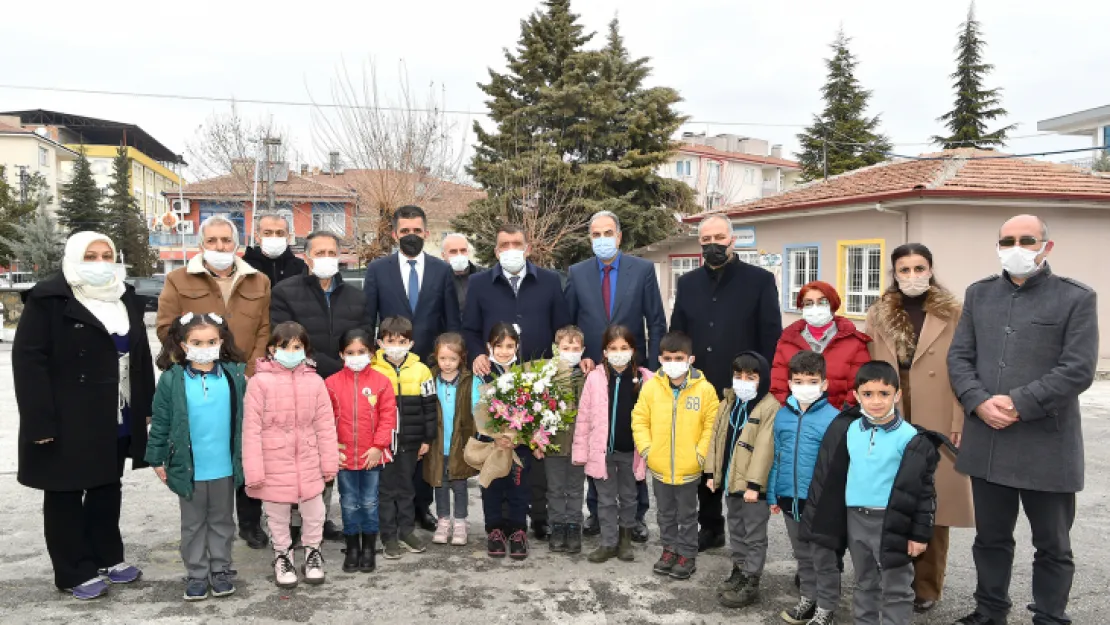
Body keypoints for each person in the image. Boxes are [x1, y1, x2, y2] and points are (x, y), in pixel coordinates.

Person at [947, 215, 1098, 625]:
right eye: (1007, 240)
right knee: (991, 538)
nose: (1015, 247)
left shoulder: (1076, 298)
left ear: (1046, 247)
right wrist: (978, 402)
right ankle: (990, 610)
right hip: (988, 440)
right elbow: (959, 357)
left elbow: (1077, 369)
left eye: (1026, 240)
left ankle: (1050, 616)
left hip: (1046, 442)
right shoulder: (979, 294)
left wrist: (1018, 403)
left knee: (1052, 543)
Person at [14, 231, 155, 600]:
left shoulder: (124, 297)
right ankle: (72, 569)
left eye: (106, 254)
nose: (99, 262)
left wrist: (146, 408)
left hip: (116, 409)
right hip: (68, 413)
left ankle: (107, 556)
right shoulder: (49, 299)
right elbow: (29, 363)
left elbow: (139, 358)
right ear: (74, 258)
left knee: (107, 485)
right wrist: (39, 421)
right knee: (65, 490)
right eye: (90, 255)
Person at [865, 243, 974, 613]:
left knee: (933, 502)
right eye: (904, 269)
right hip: (892, 406)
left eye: (919, 268)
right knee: (891, 497)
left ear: (931, 269)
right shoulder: (879, 313)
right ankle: (894, 577)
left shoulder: (954, 311)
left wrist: (958, 419)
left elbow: (964, 367)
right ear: (894, 273)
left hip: (938, 408)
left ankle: (927, 586)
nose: (912, 276)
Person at [156, 215, 272, 549]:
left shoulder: (258, 281)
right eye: (213, 241)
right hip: (199, 381)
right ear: (201, 244)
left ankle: (249, 522)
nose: (220, 247)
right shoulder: (179, 280)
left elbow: (263, 329)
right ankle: (203, 520)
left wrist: (251, 371)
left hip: (243, 379)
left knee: (246, 446)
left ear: (237, 245)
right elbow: (166, 327)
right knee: (210, 448)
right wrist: (192, 365)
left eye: (226, 241)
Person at [803, 361, 948, 625]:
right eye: (868, 394)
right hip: (856, 518)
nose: (876, 401)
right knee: (864, 582)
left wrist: (918, 534)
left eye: (884, 394)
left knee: (896, 588)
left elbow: (924, 491)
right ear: (856, 396)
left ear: (897, 395)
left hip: (891, 523)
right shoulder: (849, 431)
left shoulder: (911, 438)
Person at [670, 213, 782, 551]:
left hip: (743, 389)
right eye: (705, 240)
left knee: (740, 458)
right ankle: (711, 527)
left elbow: (771, 336)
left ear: (733, 240)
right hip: (701, 386)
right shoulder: (688, 283)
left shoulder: (759, 280)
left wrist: (764, 385)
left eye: (719, 237)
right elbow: (678, 334)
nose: (712, 245)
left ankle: (746, 534)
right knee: (707, 457)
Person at [464, 223, 571, 540]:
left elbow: (562, 326)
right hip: (496, 378)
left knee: (534, 452)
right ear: (496, 251)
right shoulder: (480, 283)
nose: (511, 249)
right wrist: (476, 354)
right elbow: (469, 328)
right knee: (501, 447)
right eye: (504, 244)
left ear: (527, 248)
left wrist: (556, 369)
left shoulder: (550, 281)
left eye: (517, 243)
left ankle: (537, 518)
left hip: (536, 382)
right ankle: (501, 522)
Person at [566, 211, 662, 542]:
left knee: (633, 441)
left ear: (619, 236)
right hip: (594, 371)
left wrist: (651, 368)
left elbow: (656, 320)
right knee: (598, 440)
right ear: (589, 238)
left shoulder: (644, 270)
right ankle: (596, 511)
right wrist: (579, 357)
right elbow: (571, 325)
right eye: (595, 234)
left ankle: (636, 516)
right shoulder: (577, 273)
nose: (602, 238)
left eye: (608, 232)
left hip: (634, 371)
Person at [363, 204, 460, 532]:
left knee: (423, 438)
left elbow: (451, 322)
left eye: (417, 231)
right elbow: (367, 319)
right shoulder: (377, 270)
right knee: (389, 436)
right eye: (404, 231)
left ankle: (421, 506)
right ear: (394, 234)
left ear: (426, 233)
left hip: (430, 369)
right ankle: (387, 508)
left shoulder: (441, 270)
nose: (411, 236)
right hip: (388, 370)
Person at [271, 230, 370, 542]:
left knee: (334, 449)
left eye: (332, 252)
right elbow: (285, 338)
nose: (327, 258)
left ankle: (321, 516)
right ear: (306, 257)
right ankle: (295, 521)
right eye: (320, 252)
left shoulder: (356, 295)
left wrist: (348, 366)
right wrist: (334, 366)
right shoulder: (285, 292)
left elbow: (364, 335)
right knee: (301, 451)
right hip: (301, 382)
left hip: (346, 385)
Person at [146, 313, 247, 601]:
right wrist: (155, 458)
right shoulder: (171, 380)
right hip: (189, 469)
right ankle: (197, 573)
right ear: (181, 344)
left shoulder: (235, 376)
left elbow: (247, 420)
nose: (206, 346)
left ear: (222, 341)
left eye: (212, 341)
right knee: (192, 525)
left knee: (223, 522)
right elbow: (161, 421)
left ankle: (221, 570)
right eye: (197, 341)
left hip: (225, 468)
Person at [243, 322, 339, 588]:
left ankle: (312, 553)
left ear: (305, 349)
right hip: (274, 460)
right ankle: (282, 555)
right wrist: (254, 471)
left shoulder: (315, 381)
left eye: (297, 347)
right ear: (272, 349)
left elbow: (325, 425)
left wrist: (329, 463)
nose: (291, 351)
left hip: (308, 458)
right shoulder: (259, 383)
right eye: (284, 346)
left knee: (314, 511)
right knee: (277, 514)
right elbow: (250, 431)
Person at [632, 331, 720, 581]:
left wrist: (700, 456)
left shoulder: (705, 390)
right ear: (660, 359)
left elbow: (710, 427)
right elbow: (639, 419)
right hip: (659, 466)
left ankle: (688, 554)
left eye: (678, 357)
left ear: (690, 359)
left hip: (689, 468)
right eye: (668, 358)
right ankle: (669, 549)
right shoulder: (652, 388)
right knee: (665, 513)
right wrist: (648, 450)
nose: (673, 362)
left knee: (688, 514)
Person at [767, 350, 841, 625]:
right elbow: (778, 456)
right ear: (789, 383)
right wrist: (774, 493)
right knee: (803, 556)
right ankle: (808, 598)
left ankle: (826, 607)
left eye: (812, 380)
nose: (804, 387)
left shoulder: (835, 419)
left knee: (823, 557)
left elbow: (837, 467)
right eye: (798, 380)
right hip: (789, 499)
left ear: (824, 384)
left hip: (819, 503)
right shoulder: (783, 416)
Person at [574, 325, 654, 564]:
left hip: (632, 453)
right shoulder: (595, 378)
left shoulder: (646, 380)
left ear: (633, 350)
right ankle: (608, 542)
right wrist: (581, 451)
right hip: (603, 454)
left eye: (624, 348)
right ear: (605, 352)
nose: (619, 352)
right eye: (613, 348)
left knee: (630, 497)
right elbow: (584, 417)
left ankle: (625, 540)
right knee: (606, 499)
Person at [707, 351, 779, 609]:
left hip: (752, 489)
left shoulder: (769, 407)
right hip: (730, 482)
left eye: (751, 376)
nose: (743, 381)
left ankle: (751, 580)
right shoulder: (728, 402)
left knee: (754, 534)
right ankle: (738, 569)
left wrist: (754, 485)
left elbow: (764, 449)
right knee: (736, 529)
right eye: (739, 375)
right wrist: (712, 473)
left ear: (764, 378)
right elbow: (717, 439)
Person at [325, 328, 397, 574]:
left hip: (371, 456)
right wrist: (332, 446)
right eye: (350, 352)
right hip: (344, 457)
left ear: (372, 354)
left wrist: (379, 446)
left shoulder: (382, 382)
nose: (356, 356)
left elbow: (388, 416)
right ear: (341, 354)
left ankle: (368, 548)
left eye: (362, 352)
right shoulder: (331, 383)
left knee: (369, 502)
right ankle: (352, 547)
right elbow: (324, 419)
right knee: (348, 503)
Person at [370, 315, 438, 559]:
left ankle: (407, 531)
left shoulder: (422, 371)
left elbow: (430, 407)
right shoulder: (373, 370)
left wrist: (426, 439)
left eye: (401, 341)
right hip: (384, 442)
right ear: (379, 342)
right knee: (386, 489)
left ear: (411, 343)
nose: (396, 346)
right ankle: (388, 535)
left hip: (411, 440)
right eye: (390, 341)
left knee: (407, 488)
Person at [476, 323, 538, 560]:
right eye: (498, 346)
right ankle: (495, 531)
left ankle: (518, 531)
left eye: (509, 346)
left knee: (519, 488)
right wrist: (496, 436)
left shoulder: (527, 374)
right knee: (492, 487)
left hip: (519, 446)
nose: (504, 351)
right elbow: (476, 407)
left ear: (517, 347)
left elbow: (534, 409)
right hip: (491, 444)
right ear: (488, 347)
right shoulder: (482, 374)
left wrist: (518, 437)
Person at [771, 280, 872, 410]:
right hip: (797, 419)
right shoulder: (787, 341)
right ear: (801, 307)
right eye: (808, 303)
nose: (815, 307)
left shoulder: (854, 342)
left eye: (822, 302)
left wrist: (841, 417)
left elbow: (860, 386)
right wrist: (793, 412)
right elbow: (778, 387)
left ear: (833, 304)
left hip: (838, 420)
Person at [424, 332, 482, 546]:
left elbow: (478, 410)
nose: (447, 364)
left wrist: (476, 439)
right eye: (442, 358)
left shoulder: (470, 380)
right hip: (437, 445)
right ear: (435, 357)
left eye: (452, 359)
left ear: (462, 358)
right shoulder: (429, 378)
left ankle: (460, 522)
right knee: (439, 484)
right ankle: (443, 521)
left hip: (460, 444)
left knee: (459, 484)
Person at [546, 326, 589, 554]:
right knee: (555, 489)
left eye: (575, 348)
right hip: (553, 443)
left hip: (579, 445)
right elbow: (537, 410)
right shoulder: (546, 375)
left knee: (575, 488)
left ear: (583, 350)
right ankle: (557, 526)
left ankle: (573, 526)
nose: (570, 352)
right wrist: (538, 441)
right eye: (565, 347)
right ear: (556, 349)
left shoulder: (587, 375)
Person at [241, 212, 307, 285]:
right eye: (267, 233)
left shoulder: (301, 268)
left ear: (288, 237)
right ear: (257, 237)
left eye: (280, 233)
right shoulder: (244, 267)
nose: (274, 237)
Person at [441, 232, 482, 313]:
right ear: (443, 255)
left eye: (463, 250)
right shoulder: (436, 279)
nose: (459, 255)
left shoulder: (483, 275)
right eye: (453, 251)